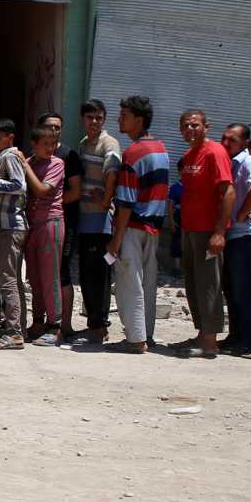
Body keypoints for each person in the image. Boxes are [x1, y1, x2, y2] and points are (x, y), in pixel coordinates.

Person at [106, 96, 170, 353]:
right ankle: (146, 335)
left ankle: (135, 339)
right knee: (147, 285)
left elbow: (125, 202)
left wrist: (116, 240)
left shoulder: (132, 153)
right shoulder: (161, 148)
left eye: (124, 115)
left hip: (133, 227)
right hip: (153, 227)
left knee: (129, 284)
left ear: (139, 120)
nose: (120, 119)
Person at [174, 109, 233, 358]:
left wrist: (219, 232)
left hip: (208, 230)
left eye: (195, 125)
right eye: (186, 126)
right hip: (190, 229)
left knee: (209, 284)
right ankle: (201, 333)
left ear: (206, 127)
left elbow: (228, 192)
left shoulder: (215, 152)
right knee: (193, 284)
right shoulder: (189, 155)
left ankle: (210, 341)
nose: (191, 130)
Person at [75, 100, 121, 344]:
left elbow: (112, 172)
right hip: (85, 218)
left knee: (99, 275)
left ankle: (100, 325)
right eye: (90, 117)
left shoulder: (109, 143)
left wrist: (105, 200)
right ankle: (93, 322)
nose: (94, 122)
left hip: (101, 221)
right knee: (86, 273)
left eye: (99, 118)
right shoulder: (84, 144)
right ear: (83, 118)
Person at [36, 112, 83, 338]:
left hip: (60, 221)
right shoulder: (35, 157)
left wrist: (48, 201)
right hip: (39, 224)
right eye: (49, 127)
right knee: (39, 274)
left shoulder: (66, 156)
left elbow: (75, 192)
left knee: (60, 273)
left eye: (57, 128)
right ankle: (41, 321)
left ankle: (63, 325)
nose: (54, 132)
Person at [221, 123, 251, 356]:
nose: (226, 143)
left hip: (245, 236)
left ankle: (248, 341)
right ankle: (235, 336)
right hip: (233, 236)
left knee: (243, 290)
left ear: (245, 143)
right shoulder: (231, 163)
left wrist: (241, 214)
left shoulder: (250, 163)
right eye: (224, 138)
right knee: (231, 289)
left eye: (233, 140)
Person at [0, 119, 29, 349]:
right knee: (12, 278)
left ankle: (13, 332)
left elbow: (18, 186)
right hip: (10, 225)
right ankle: (17, 327)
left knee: (8, 278)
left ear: (9, 137)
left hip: (11, 225)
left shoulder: (10, 156)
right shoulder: (7, 156)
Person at [21, 125, 66, 345]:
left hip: (51, 222)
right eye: (45, 144)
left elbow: (41, 190)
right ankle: (38, 320)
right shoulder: (31, 163)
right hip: (32, 224)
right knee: (35, 277)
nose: (50, 149)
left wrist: (25, 165)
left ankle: (54, 324)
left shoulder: (56, 164)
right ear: (35, 145)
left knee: (50, 276)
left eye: (53, 144)